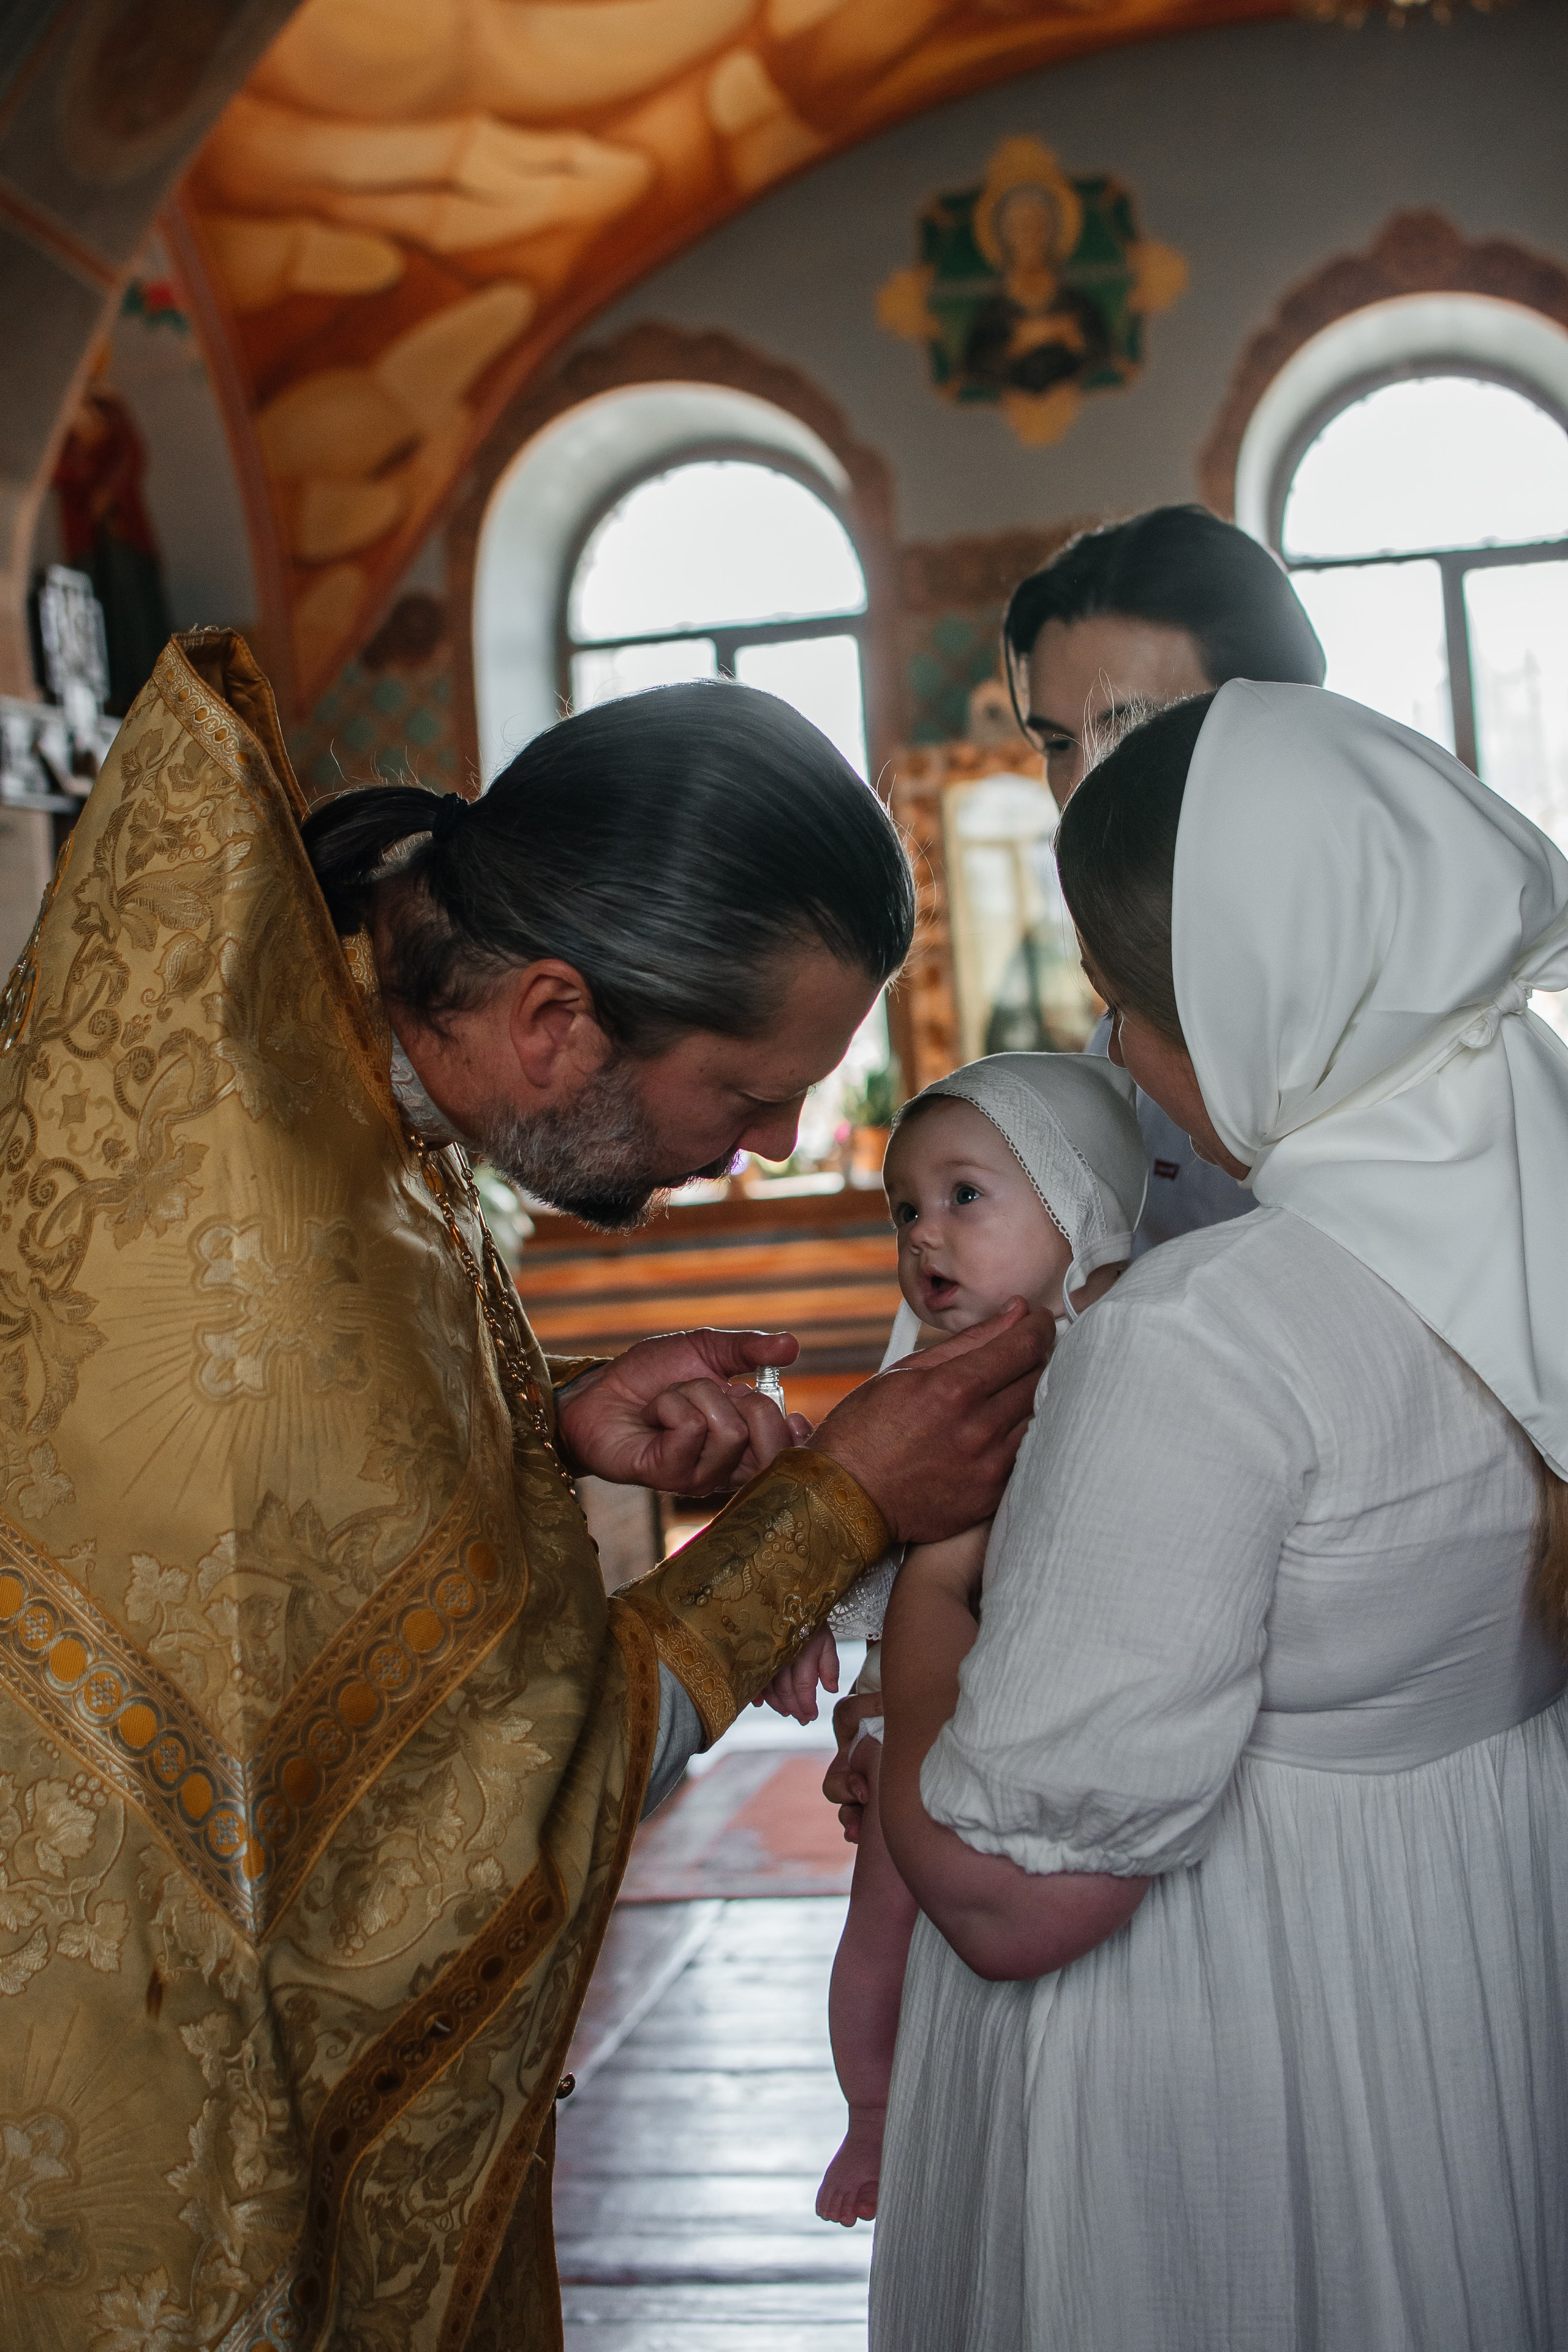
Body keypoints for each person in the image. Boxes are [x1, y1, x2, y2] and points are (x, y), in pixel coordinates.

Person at [0, 631, 1051, 2352]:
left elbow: (283, 1498)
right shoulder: (258, 1220)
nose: (775, 1150)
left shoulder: (305, 1076)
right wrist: (840, 1506)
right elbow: (465, 1820)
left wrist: (539, 1423)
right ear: (556, 1014)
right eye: (751, 1094)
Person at [867, 683, 1568, 2348]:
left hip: (1258, 2052)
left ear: (1248, 999)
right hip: (1481, 1974)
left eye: (1126, 1005)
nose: (1116, 1051)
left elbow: (1012, 1898)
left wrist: (923, 1599)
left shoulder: (1208, 1335)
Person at [812, 1053, 1146, 2229]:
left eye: (965, 1196)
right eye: (906, 1209)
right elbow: (880, 1541)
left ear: (1081, 1197)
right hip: (928, 1707)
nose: (925, 1236)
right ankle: (869, 2110)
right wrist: (858, 1696)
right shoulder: (933, 1379)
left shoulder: (1134, 1357)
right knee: (877, 1931)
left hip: (1059, 1720)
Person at [1001, 503, 1326, 1251]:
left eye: (1133, 729)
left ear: (1281, 717)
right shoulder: (1115, 1051)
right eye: (1055, 743)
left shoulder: (1398, 1027)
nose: (1082, 785)